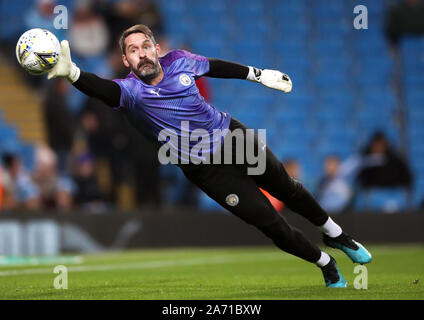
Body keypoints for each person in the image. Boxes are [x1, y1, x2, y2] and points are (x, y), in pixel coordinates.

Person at [46, 24, 372, 287]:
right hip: (205, 170)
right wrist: (73, 74)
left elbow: (215, 67)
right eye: (133, 51)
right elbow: (103, 90)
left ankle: (337, 235)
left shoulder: (180, 60)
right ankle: (324, 263)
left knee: (286, 187)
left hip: (233, 137)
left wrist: (258, 74)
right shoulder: (131, 91)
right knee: (270, 223)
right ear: (126, 61)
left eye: (145, 46)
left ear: (157, 49)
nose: (141, 54)